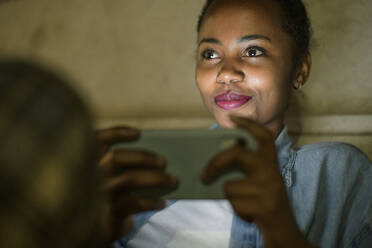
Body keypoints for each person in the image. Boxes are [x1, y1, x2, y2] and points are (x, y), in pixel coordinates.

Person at [97, 0, 372, 247]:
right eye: (210, 54)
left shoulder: (337, 175)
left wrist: (279, 226)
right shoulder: (141, 184)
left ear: (300, 68)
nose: (226, 73)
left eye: (253, 51)